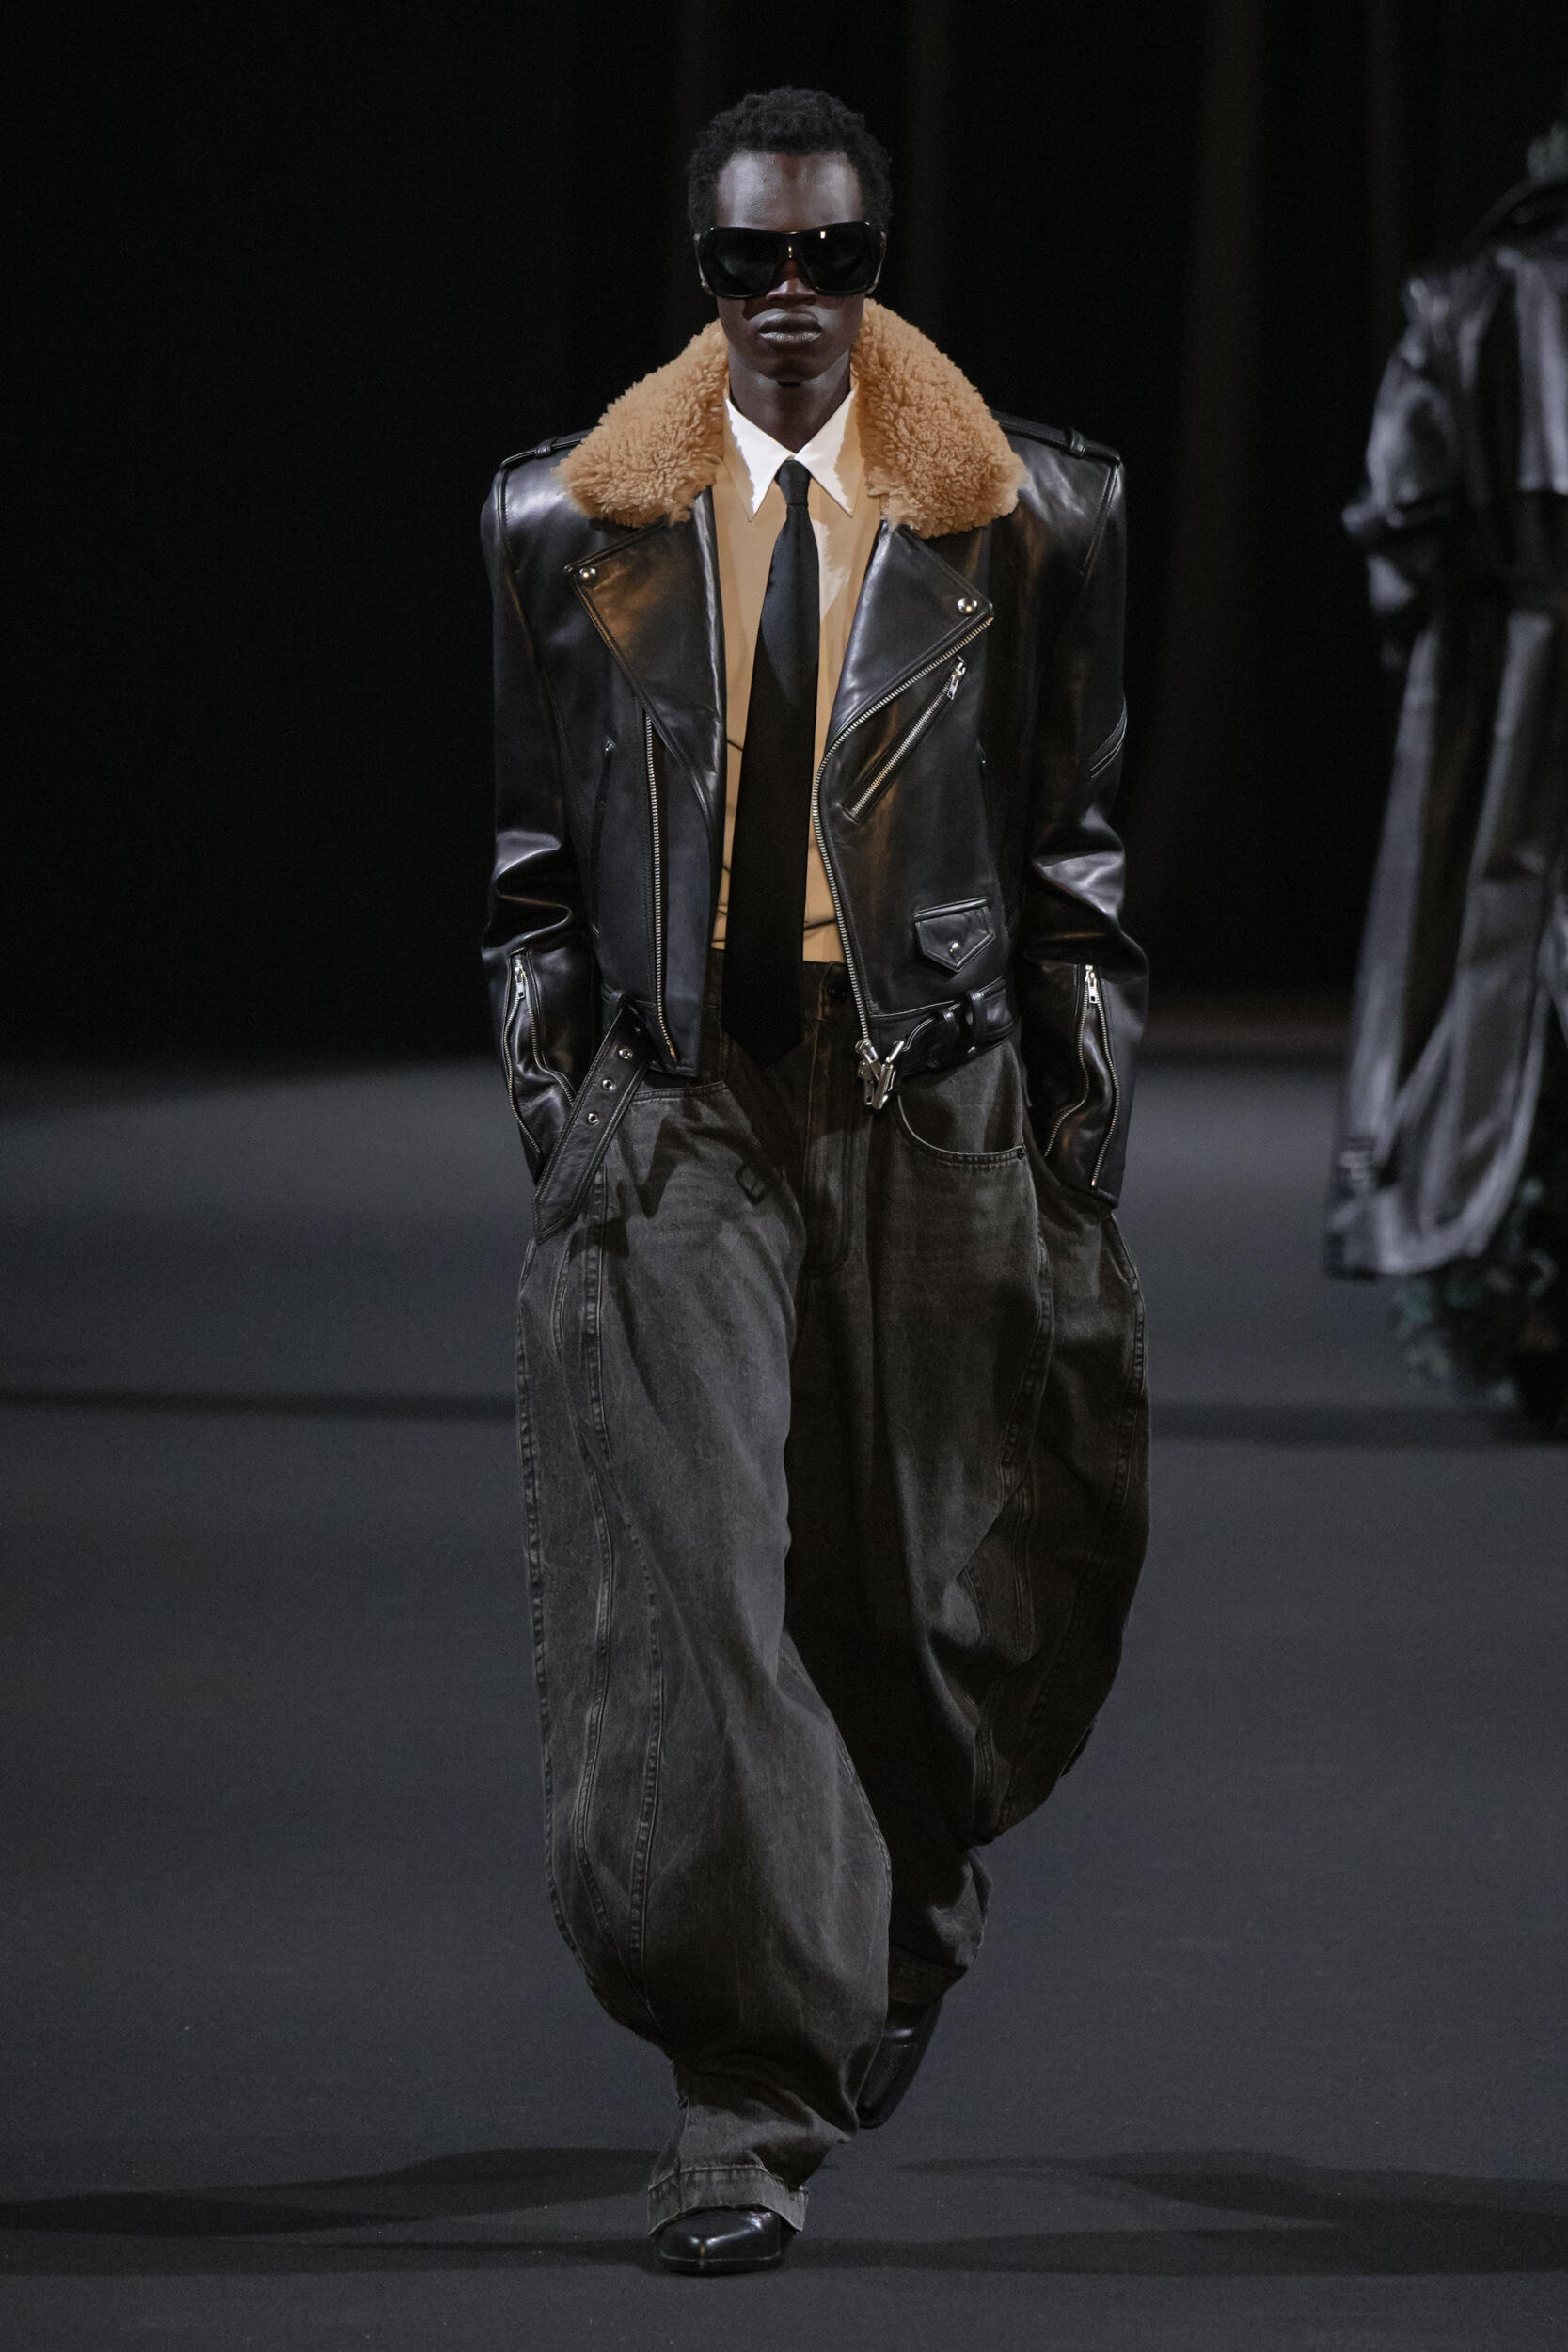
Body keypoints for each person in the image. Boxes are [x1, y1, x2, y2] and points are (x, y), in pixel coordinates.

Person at [482, 87, 1148, 2273]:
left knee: (911, 1595)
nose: (788, 297)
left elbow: (1075, 845)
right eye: (747, 260)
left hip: (928, 1092)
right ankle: (743, 2098)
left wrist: (1075, 1125)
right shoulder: (561, 519)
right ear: (698, 272)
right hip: (684, 1101)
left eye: (830, 256)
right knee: (701, 1593)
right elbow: (528, 859)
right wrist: (563, 1105)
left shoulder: (1032, 510)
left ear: (878, 262)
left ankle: (901, 1902)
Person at [1326, 95, 1568, 1436]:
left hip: (1513, 684)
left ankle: (1506, 1287)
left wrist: (1443, 627)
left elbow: (1399, 513)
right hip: (1514, 663)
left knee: (1493, 970)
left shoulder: (1469, 301)